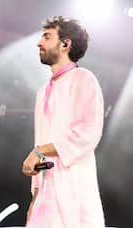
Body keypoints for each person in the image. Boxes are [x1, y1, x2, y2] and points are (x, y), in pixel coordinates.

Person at [22, 16, 105, 227]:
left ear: (66, 44)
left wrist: (41, 151)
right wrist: (35, 197)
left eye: (47, 37)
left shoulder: (84, 79)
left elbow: (88, 134)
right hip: (47, 196)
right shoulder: (43, 93)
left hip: (75, 192)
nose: (39, 43)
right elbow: (39, 143)